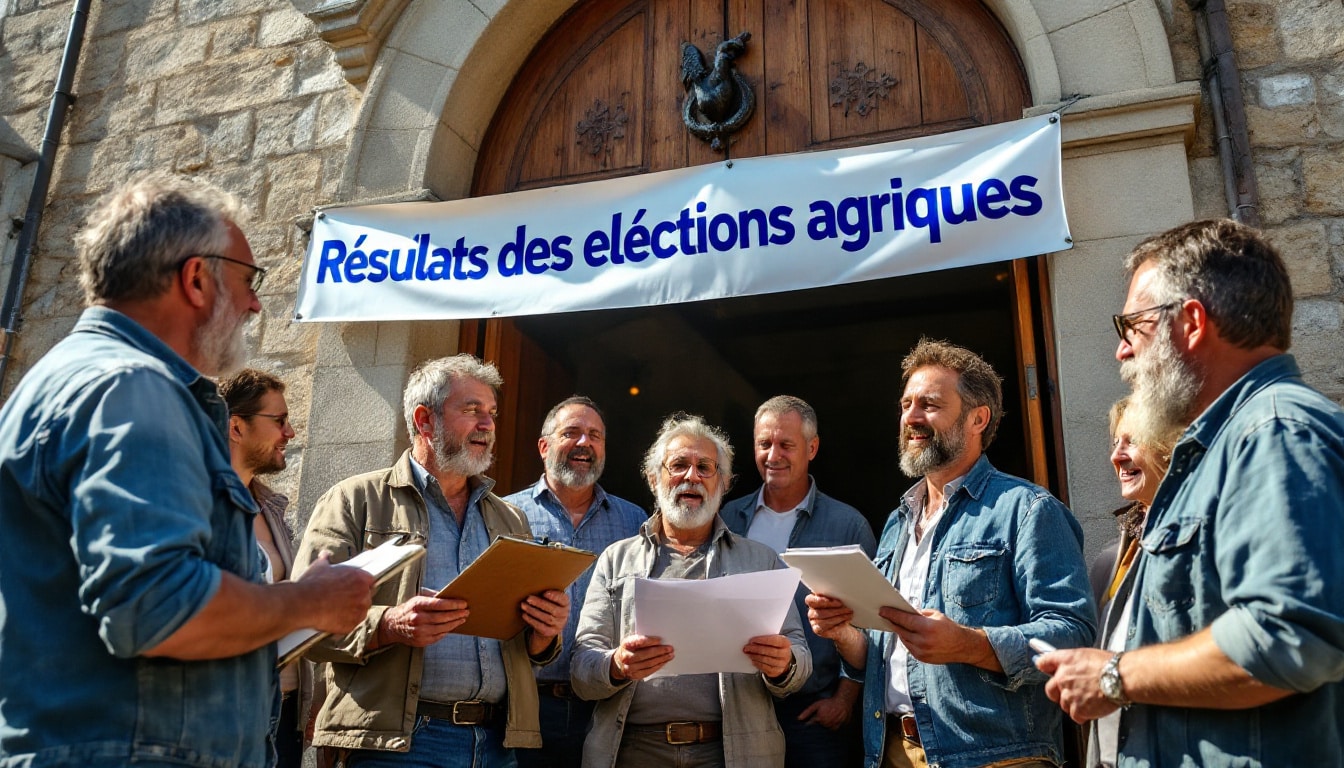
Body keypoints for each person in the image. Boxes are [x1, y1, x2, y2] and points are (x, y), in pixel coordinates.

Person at [0, 172, 374, 768]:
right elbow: (157, 606)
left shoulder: (76, 378)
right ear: (197, 278)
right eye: (249, 281)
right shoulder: (133, 388)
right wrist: (307, 602)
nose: (255, 303)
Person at [1037, 219, 1344, 766]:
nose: (1121, 352)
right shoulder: (1225, 445)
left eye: (1133, 326)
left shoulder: (1273, 432)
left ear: (1192, 324)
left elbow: (1288, 636)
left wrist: (1114, 674)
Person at [807, 339, 1095, 768]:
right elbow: (887, 655)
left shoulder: (1028, 509)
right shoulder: (896, 522)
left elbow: (1073, 633)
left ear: (978, 418)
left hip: (994, 758)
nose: (911, 417)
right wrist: (843, 632)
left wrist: (970, 645)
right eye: (906, 404)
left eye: (930, 404)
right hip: (891, 752)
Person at [293, 354, 570, 768]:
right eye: (472, 410)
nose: (488, 425)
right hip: (397, 745)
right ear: (425, 420)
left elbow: (523, 645)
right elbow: (302, 618)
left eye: (491, 413)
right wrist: (389, 625)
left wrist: (545, 632)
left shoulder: (509, 518)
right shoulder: (356, 501)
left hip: (497, 744)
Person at [571, 413, 812, 768]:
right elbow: (581, 667)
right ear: (654, 479)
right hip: (633, 751)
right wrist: (617, 665)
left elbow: (801, 659)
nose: (692, 476)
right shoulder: (616, 559)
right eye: (679, 465)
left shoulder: (761, 560)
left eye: (705, 468)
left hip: (730, 753)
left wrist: (783, 664)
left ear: (724, 483)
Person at [721, 395, 875, 768]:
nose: (773, 455)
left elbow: (872, 628)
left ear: (812, 447)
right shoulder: (727, 516)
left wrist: (844, 700)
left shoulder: (847, 525)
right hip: (738, 708)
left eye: (786, 445)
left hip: (811, 715)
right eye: (764, 444)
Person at [503, 396, 647, 768]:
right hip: (523, 705)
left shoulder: (635, 521)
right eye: (572, 433)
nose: (585, 443)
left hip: (607, 707)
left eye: (595, 436)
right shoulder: (504, 514)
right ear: (543, 445)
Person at [219, 368, 307, 768]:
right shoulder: (198, 503)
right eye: (279, 421)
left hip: (283, 713)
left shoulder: (272, 509)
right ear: (236, 427)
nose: (289, 432)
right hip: (226, 711)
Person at [1082, 396, 1176, 768]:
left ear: (1172, 447)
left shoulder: (1208, 543)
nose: (1116, 457)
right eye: (1114, 443)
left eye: (1131, 441)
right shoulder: (1109, 559)